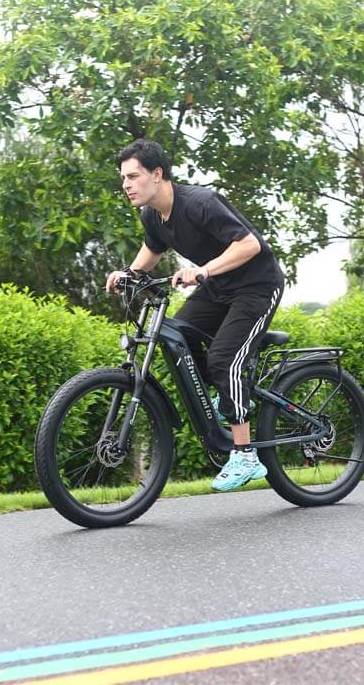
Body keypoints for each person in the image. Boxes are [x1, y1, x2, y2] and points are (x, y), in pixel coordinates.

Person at [105, 139, 285, 492]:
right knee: (180, 336)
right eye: (123, 178)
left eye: (133, 176)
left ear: (157, 175)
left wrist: (203, 270)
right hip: (218, 290)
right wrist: (128, 273)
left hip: (257, 286)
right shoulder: (152, 216)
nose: (126, 185)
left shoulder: (200, 203)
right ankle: (231, 394)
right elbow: (152, 251)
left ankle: (245, 454)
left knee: (222, 360)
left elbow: (250, 245)